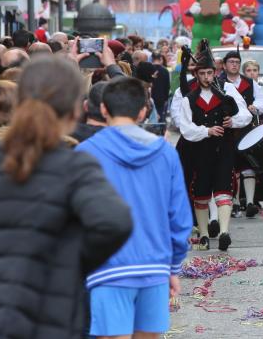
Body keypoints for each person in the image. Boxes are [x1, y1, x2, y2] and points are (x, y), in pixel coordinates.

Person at [0, 56, 132, 338]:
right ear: (74, 111)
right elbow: (115, 222)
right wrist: (70, 258)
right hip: (49, 315)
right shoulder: (75, 165)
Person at [76, 77, 193, 339]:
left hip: (107, 268)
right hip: (154, 267)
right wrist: (173, 267)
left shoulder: (84, 154)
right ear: (143, 111)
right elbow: (180, 218)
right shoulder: (165, 153)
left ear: (103, 109)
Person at [176, 44, 251, 251]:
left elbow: (246, 115)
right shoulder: (188, 99)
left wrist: (232, 121)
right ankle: (203, 234)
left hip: (224, 149)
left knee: (223, 189)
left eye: (210, 72)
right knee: (201, 192)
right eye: (203, 73)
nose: (207, 77)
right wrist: (206, 131)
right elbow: (185, 128)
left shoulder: (227, 90)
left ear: (215, 72)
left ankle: (225, 232)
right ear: (196, 74)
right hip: (199, 151)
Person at [219, 48, 263, 218]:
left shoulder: (249, 82)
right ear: (225, 65)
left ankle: (249, 203)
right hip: (226, 130)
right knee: (230, 168)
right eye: (231, 62)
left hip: (246, 129)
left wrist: (256, 108)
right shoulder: (219, 82)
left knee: (248, 166)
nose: (234, 65)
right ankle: (233, 203)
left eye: (237, 62)